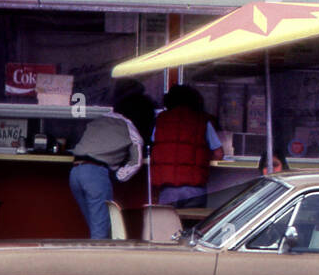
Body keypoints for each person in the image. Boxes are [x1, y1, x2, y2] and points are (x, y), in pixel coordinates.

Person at [69, 101, 145, 238]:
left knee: (95, 225)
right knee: (101, 231)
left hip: (75, 171)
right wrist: (119, 175)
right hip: (95, 174)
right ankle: (97, 259)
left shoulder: (98, 119)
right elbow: (136, 161)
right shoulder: (128, 126)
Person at [150, 84, 224, 208]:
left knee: (169, 225)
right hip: (195, 188)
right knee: (193, 225)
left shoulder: (161, 120)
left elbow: (155, 144)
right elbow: (219, 154)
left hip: (168, 188)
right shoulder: (202, 120)